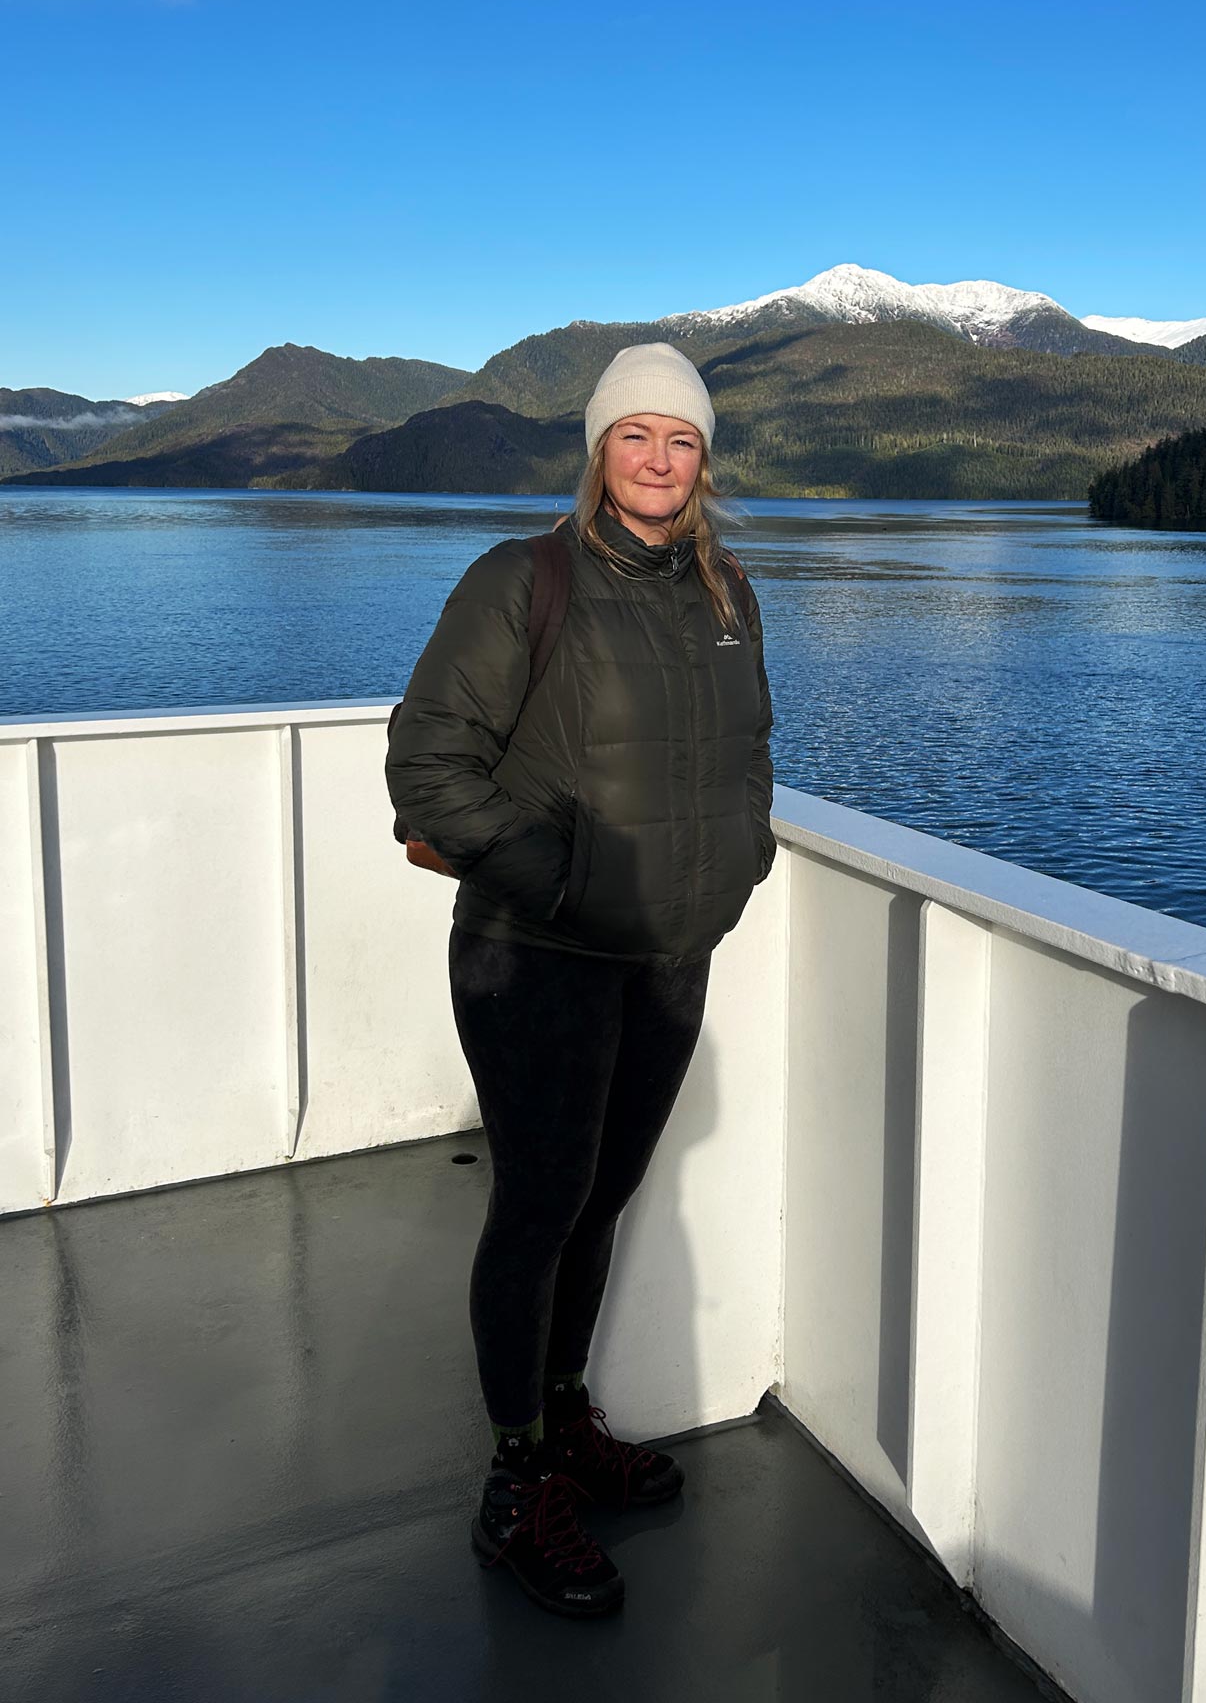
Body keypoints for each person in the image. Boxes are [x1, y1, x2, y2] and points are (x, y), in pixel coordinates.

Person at [385, 341, 776, 1619]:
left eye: (682, 441)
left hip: (667, 956)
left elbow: (746, 750)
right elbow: (428, 766)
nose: (659, 460)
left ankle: (566, 1418)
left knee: (602, 1197)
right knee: (541, 1204)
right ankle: (517, 1481)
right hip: (540, 954)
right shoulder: (525, 579)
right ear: (597, 449)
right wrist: (557, 876)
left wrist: (740, 860)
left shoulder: (726, 589)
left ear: (703, 461)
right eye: (635, 435)